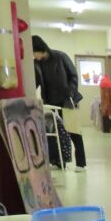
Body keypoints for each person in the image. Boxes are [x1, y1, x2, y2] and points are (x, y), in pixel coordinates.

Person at [32, 35, 86, 171]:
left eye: (34, 52)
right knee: (54, 132)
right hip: (50, 101)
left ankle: (81, 163)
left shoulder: (60, 56)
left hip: (67, 100)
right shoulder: (36, 63)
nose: (34, 56)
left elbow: (73, 76)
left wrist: (70, 94)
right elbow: (36, 82)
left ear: (39, 48)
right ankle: (58, 162)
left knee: (74, 131)